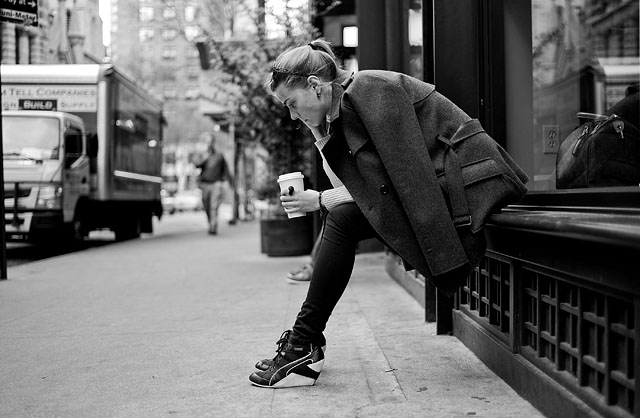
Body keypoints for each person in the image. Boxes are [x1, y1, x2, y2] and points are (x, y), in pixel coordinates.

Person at [249, 39, 527, 388]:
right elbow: (359, 185)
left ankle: (304, 343)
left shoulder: (371, 90)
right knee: (342, 218)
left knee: (341, 217)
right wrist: (318, 130)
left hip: (473, 184)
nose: (292, 115)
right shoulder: (345, 108)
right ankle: (306, 343)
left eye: (292, 103)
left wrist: (320, 200)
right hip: (439, 186)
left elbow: (396, 183)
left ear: (315, 86)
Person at [195, 134, 233, 235]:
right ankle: (210, 222)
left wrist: (229, 182)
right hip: (205, 184)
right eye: (207, 141)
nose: (209, 143)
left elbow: (226, 171)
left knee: (213, 206)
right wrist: (205, 157)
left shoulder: (219, 156)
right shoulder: (203, 155)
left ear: (213, 142)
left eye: (210, 141)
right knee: (206, 205)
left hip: (217, 184)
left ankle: (213, 226)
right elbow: (196, 164)